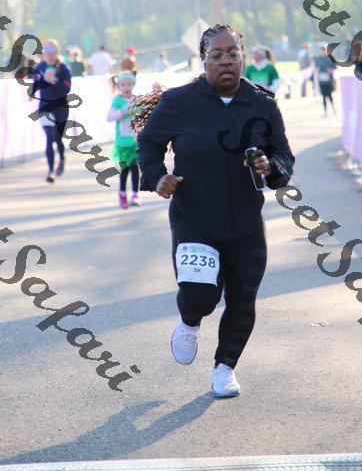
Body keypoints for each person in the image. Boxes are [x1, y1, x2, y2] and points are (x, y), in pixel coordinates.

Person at [138, 23, 295, 398]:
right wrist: (157, 177)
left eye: (233, 54)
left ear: (243, 57)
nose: (226, 61)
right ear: (203, 60)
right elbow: (148, 143)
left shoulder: (262, 104)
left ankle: (224, 368)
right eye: (217, 55)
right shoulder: (179, 101)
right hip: (195, 217)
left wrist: (271, 166)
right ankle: (189, 321)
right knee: (200, 295)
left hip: (245, 222)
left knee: (242, 300)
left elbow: (283, 154)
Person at [31, 39, 71, 183]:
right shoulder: (40, 67)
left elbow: (66, 89)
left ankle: (62, 159)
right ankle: (50, 171)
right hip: (45, 107)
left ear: (57, 52)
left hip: (60, 107)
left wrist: (54, 81)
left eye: (52, 51)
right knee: (49, 136)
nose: (49, 54)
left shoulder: (63, 68)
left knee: (58, 138)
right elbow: (36, 84)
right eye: (46, 51)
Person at [107, 72, 140, 208]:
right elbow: (109, 118)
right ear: (119, 86)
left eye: (129, 84)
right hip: (122, 143)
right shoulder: (118, 101)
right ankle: (122, 194)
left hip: (135, 142)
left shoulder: (136, 99)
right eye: (123, 84)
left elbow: (143, 116)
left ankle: (135, 195)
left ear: (133, 85)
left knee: (135, 169)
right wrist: (123, 111)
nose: (127, 87)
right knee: (125, 169)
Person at [314, 44, 337, 117]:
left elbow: (335, 67)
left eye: (324, 49)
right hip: (322, 80)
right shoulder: (318, 58)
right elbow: (316, 67)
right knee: (323, 96)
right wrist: (317, 68)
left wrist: (331, 69)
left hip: (329, 80)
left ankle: (333, 109)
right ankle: (325, 112)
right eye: (321, 50)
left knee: (330, 95)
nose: (323, 51)